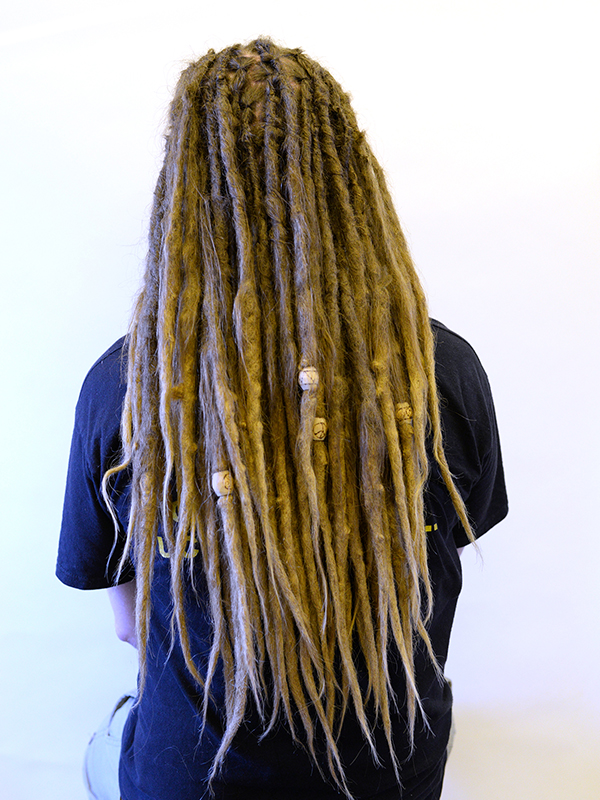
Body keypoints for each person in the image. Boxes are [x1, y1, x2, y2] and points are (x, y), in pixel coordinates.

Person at [56, 38, 508, 800]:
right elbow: (445, 567)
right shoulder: (443, 374)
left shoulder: (126, 390)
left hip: (189, 782)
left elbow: (131, 629)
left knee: (107, 741)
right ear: (350, 186)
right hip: (393, 777)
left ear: (184, 197)